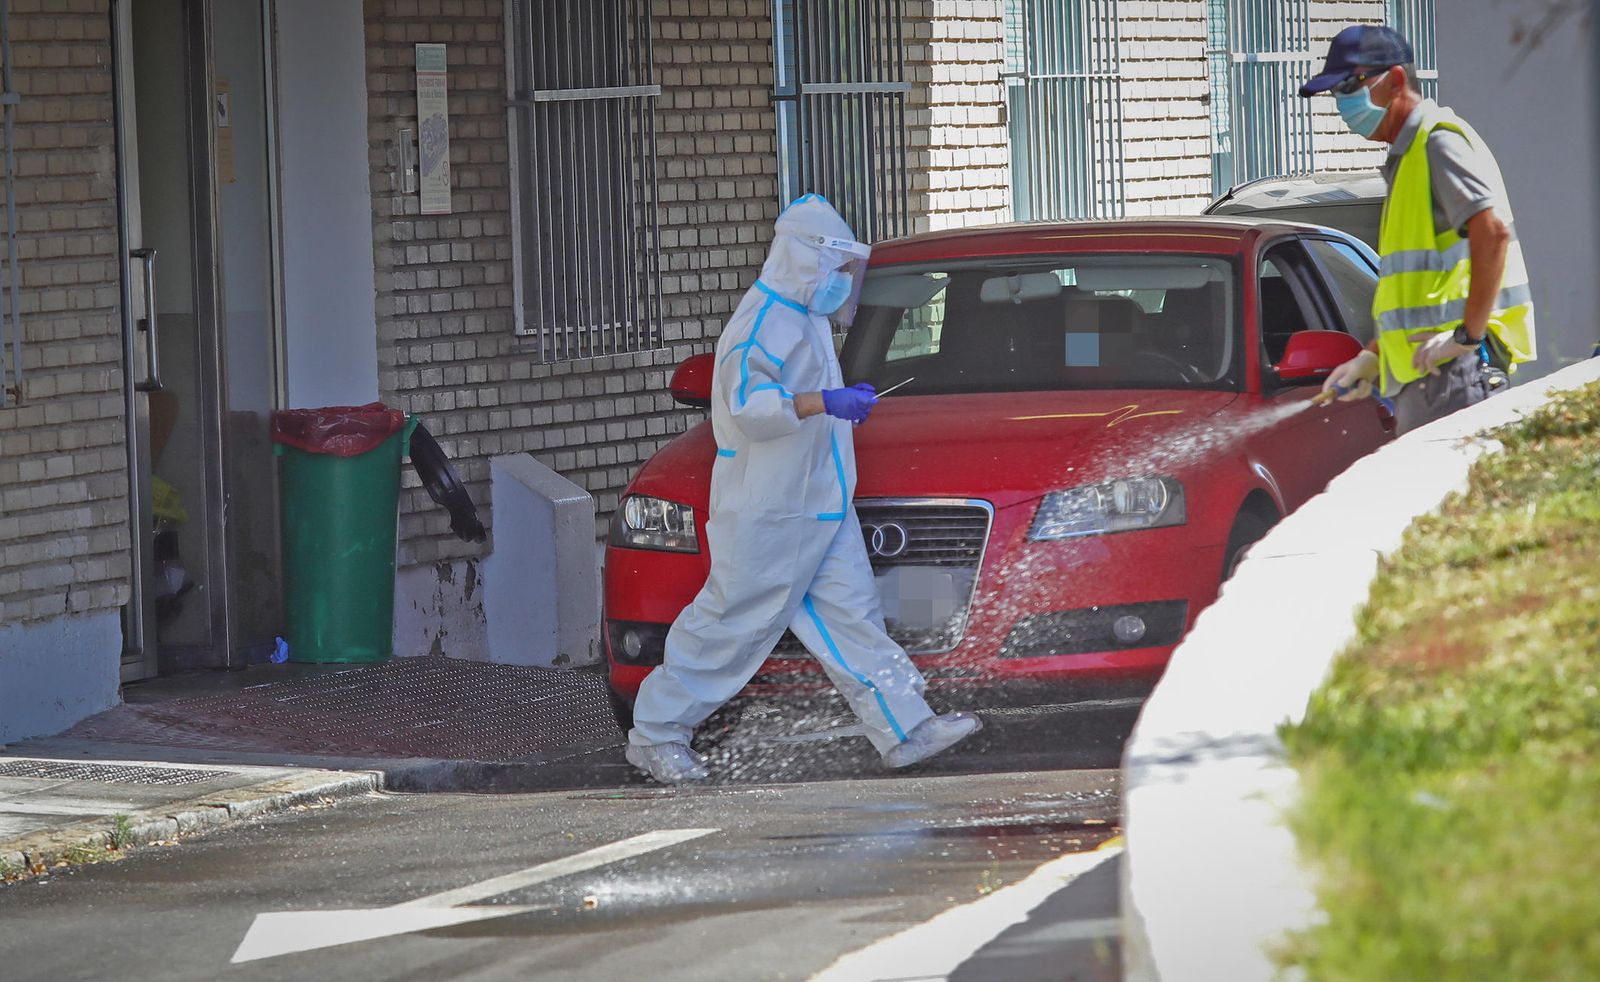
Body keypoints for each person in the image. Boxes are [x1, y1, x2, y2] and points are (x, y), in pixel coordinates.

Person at [624, 194, 981, 784]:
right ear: (803, 259)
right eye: (837, 268)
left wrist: (831, 404)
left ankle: (905, 726)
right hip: (770, 508)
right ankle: (656, 735)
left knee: (853, 618)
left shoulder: (804, 317)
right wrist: (823, 402)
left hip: (817, 502)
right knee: (733, 621)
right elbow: (747, 407)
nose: (844, 282)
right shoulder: (761, 321)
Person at [1299, 25, 1536, 433]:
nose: (1341, 104)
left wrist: (1466, 336)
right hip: (1430, 375)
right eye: (1335, 93)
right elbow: (1413, 294)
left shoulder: (1437, 143)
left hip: (1453, 372)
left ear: (1395, 80)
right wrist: (1374, 358)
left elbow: (1492, 232)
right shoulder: (1409, 156)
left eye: (1348, 88)